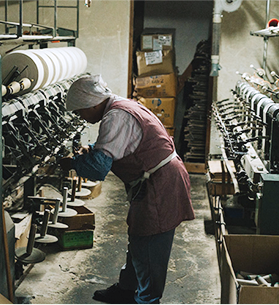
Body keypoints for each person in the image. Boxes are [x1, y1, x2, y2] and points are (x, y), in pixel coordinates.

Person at [60, 74, 195, 305]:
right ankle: (126, 290)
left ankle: (148, 300)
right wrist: (92, 148)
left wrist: (70, 164)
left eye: (80, 112)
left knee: (151, 247)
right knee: (139, 239)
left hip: (160, 184)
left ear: (93, 104)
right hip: (155, 179)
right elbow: (125, 142)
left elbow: (98, 169)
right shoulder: (121, 106)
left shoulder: (115, 117)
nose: (80, 117)